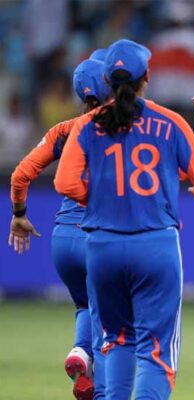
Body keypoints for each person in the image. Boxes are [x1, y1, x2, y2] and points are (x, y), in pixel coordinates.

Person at [54, 39, 194, 399]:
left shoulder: (87, 126)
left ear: (106, 81)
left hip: (103, 248)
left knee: (116, 341)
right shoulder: (169, 122)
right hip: (155, 244)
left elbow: (64, 183)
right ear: (147, 76)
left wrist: (101, 200)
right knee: (156, 353)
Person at [9, 51, 111, 400]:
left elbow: (21, 175)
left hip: (63, 239)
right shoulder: (124, 131)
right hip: (100, 237)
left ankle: (81, 353)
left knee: (85, 305)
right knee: (112, 328)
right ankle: (101, 382)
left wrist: (19, 214)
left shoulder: (63, 131)